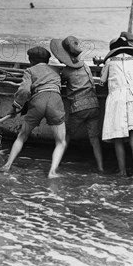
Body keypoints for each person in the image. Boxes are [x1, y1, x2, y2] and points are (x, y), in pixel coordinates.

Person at [1, 47, 67, 178]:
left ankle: (7, 165)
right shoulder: (56, 70)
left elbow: (24, 92)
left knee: (22, 136)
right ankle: (52, 172)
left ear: (31, 60)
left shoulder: (29, 71)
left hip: (38, 101)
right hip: (55, 100)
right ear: (47, 60)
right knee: (61, 141)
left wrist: (15, 107)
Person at [100, 33, 133, 180]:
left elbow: (102, 81)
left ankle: (122, 171)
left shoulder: (110, 61)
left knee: (118, 138)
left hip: (117, 100)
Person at [50, 35, 104, 172]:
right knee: (94, 139)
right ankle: (101, 167)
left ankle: (57, 162)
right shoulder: (85, 66)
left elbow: (60, 83)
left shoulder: (67, 71)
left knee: (66, 135)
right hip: (94, 105)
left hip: (79, 108)